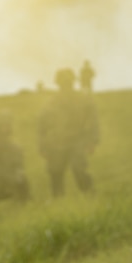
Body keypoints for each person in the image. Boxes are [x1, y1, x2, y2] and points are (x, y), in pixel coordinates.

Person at [37, 67, 98, 197]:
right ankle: (58, 201)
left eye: (68, 83)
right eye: (63, 83)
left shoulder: (83, 100)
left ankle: (90, 195)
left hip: (77, 141)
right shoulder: (51, 102)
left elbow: (93, 122)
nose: (66, 86)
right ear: (58, 84)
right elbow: (42, 126)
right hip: (56, 143)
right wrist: (43, 147)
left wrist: (92, 141)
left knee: (79, 169)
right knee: (55, 172)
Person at [0, 110, 29, 201]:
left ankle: (26, 201)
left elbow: (18, 160)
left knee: (22, 179)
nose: (6, 127)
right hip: (2, 171)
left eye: (7, 124)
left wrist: (19, 170)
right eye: (4, 124)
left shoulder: (12, 145)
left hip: (9, 170)